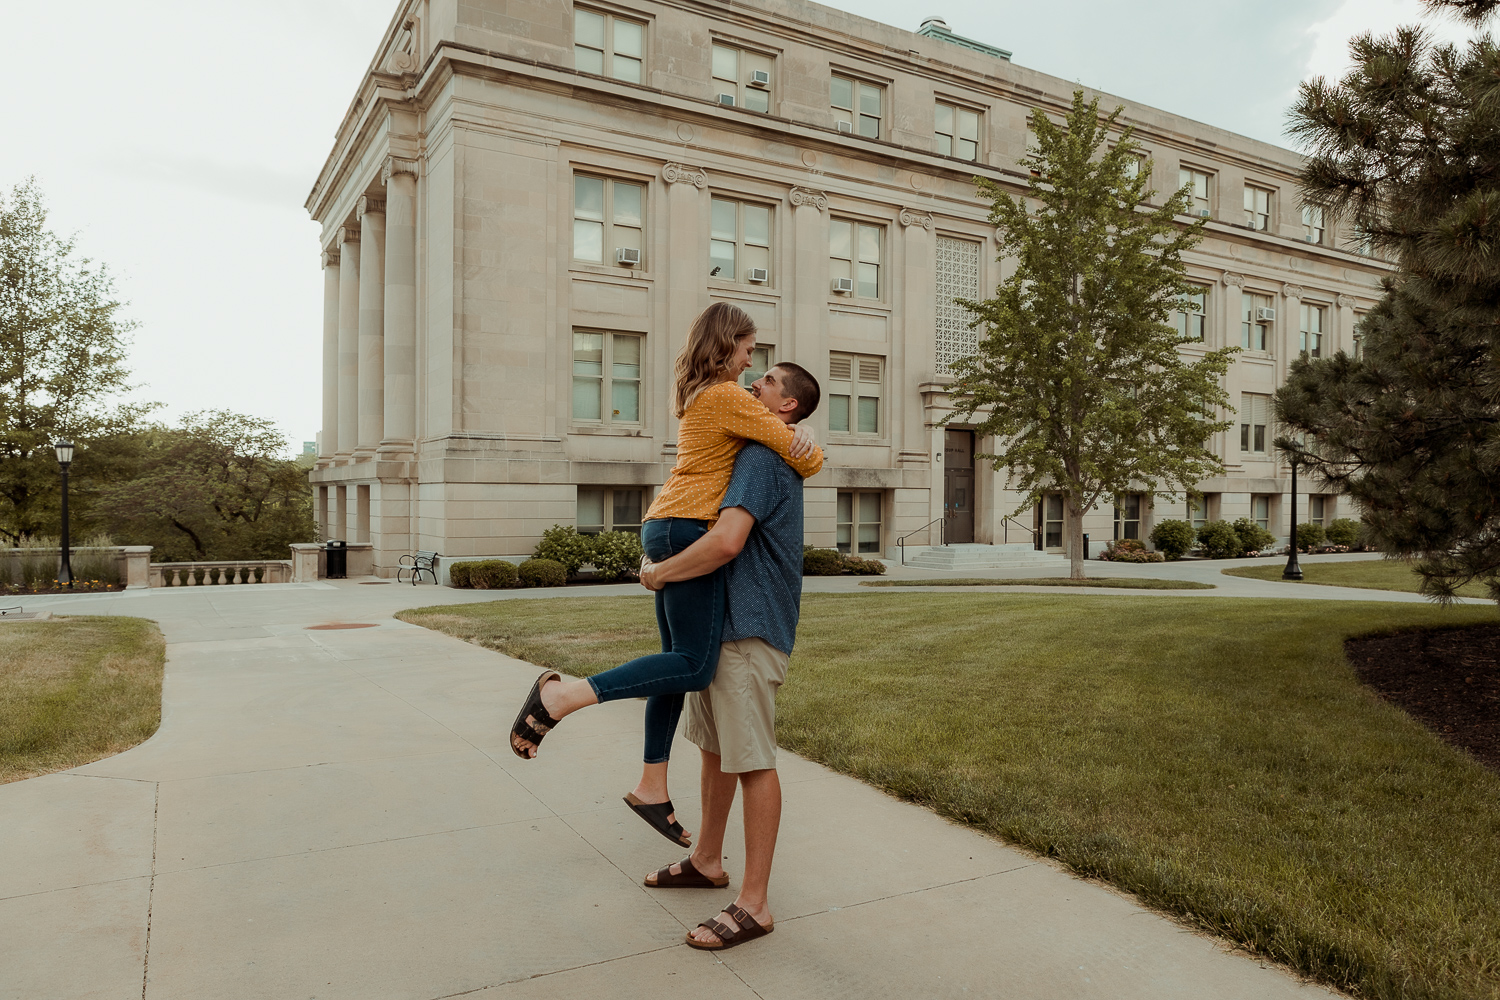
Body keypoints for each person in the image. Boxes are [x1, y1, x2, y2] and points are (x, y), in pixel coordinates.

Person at [508, 303, 822, 850]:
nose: (751, 367)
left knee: (675, 665)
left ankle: (652, 785)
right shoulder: (727, 397)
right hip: (685, 529)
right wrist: (811, 444)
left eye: (760, 367)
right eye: (748, 353)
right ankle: (561, 696)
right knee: (694, 664)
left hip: (666, 525)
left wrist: (798, 437)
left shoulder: (704, 394)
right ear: (726, 345)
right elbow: (803, 459)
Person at [636, 361, 820, 952]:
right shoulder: (754, 447)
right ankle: (707, 860)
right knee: (715, 750)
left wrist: (658, 574)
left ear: (785, 407)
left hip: (750, 629)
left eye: (766, 381)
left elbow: (725, 541)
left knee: (752, 761)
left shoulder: (763, 459)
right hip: (723, 629)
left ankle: (754, 904)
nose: (751, 384)